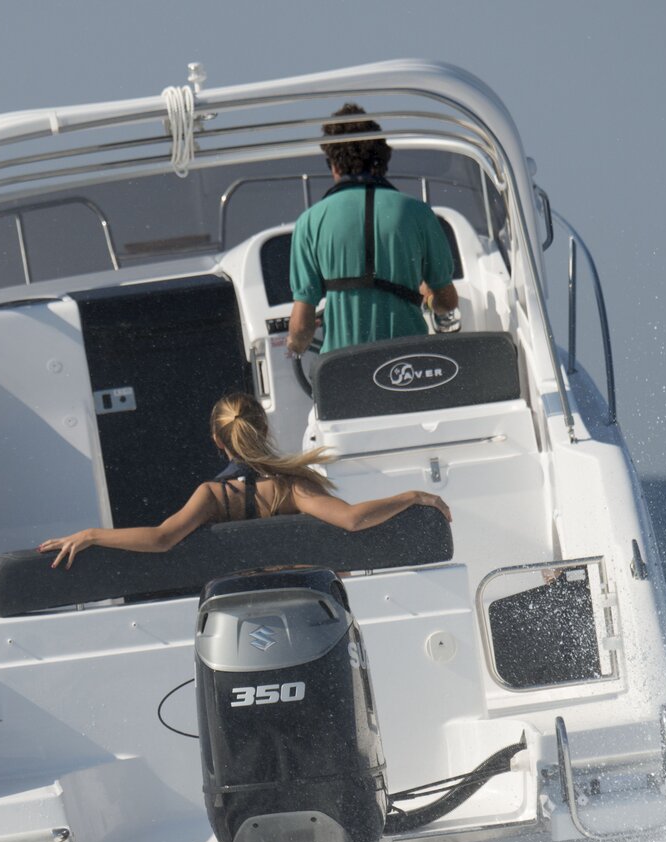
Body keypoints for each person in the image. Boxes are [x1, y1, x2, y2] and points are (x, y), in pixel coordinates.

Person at [38, 393, 450, 567]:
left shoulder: (213, 496)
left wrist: (92, 535)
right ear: (263, 428)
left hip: (243, 607)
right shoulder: (291, 486)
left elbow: (161, 539)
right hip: (301, 595)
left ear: (218, 441)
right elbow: (353, 520)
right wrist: (413, 495)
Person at [286, 104, 461, 361]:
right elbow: (447, 302)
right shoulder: (419, 213)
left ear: (333, 164)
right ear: (382, 160)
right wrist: (429, 299)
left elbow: (302, 329)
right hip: (409, 365)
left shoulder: (309, 223)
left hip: (344, 368)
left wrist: (294, 344)